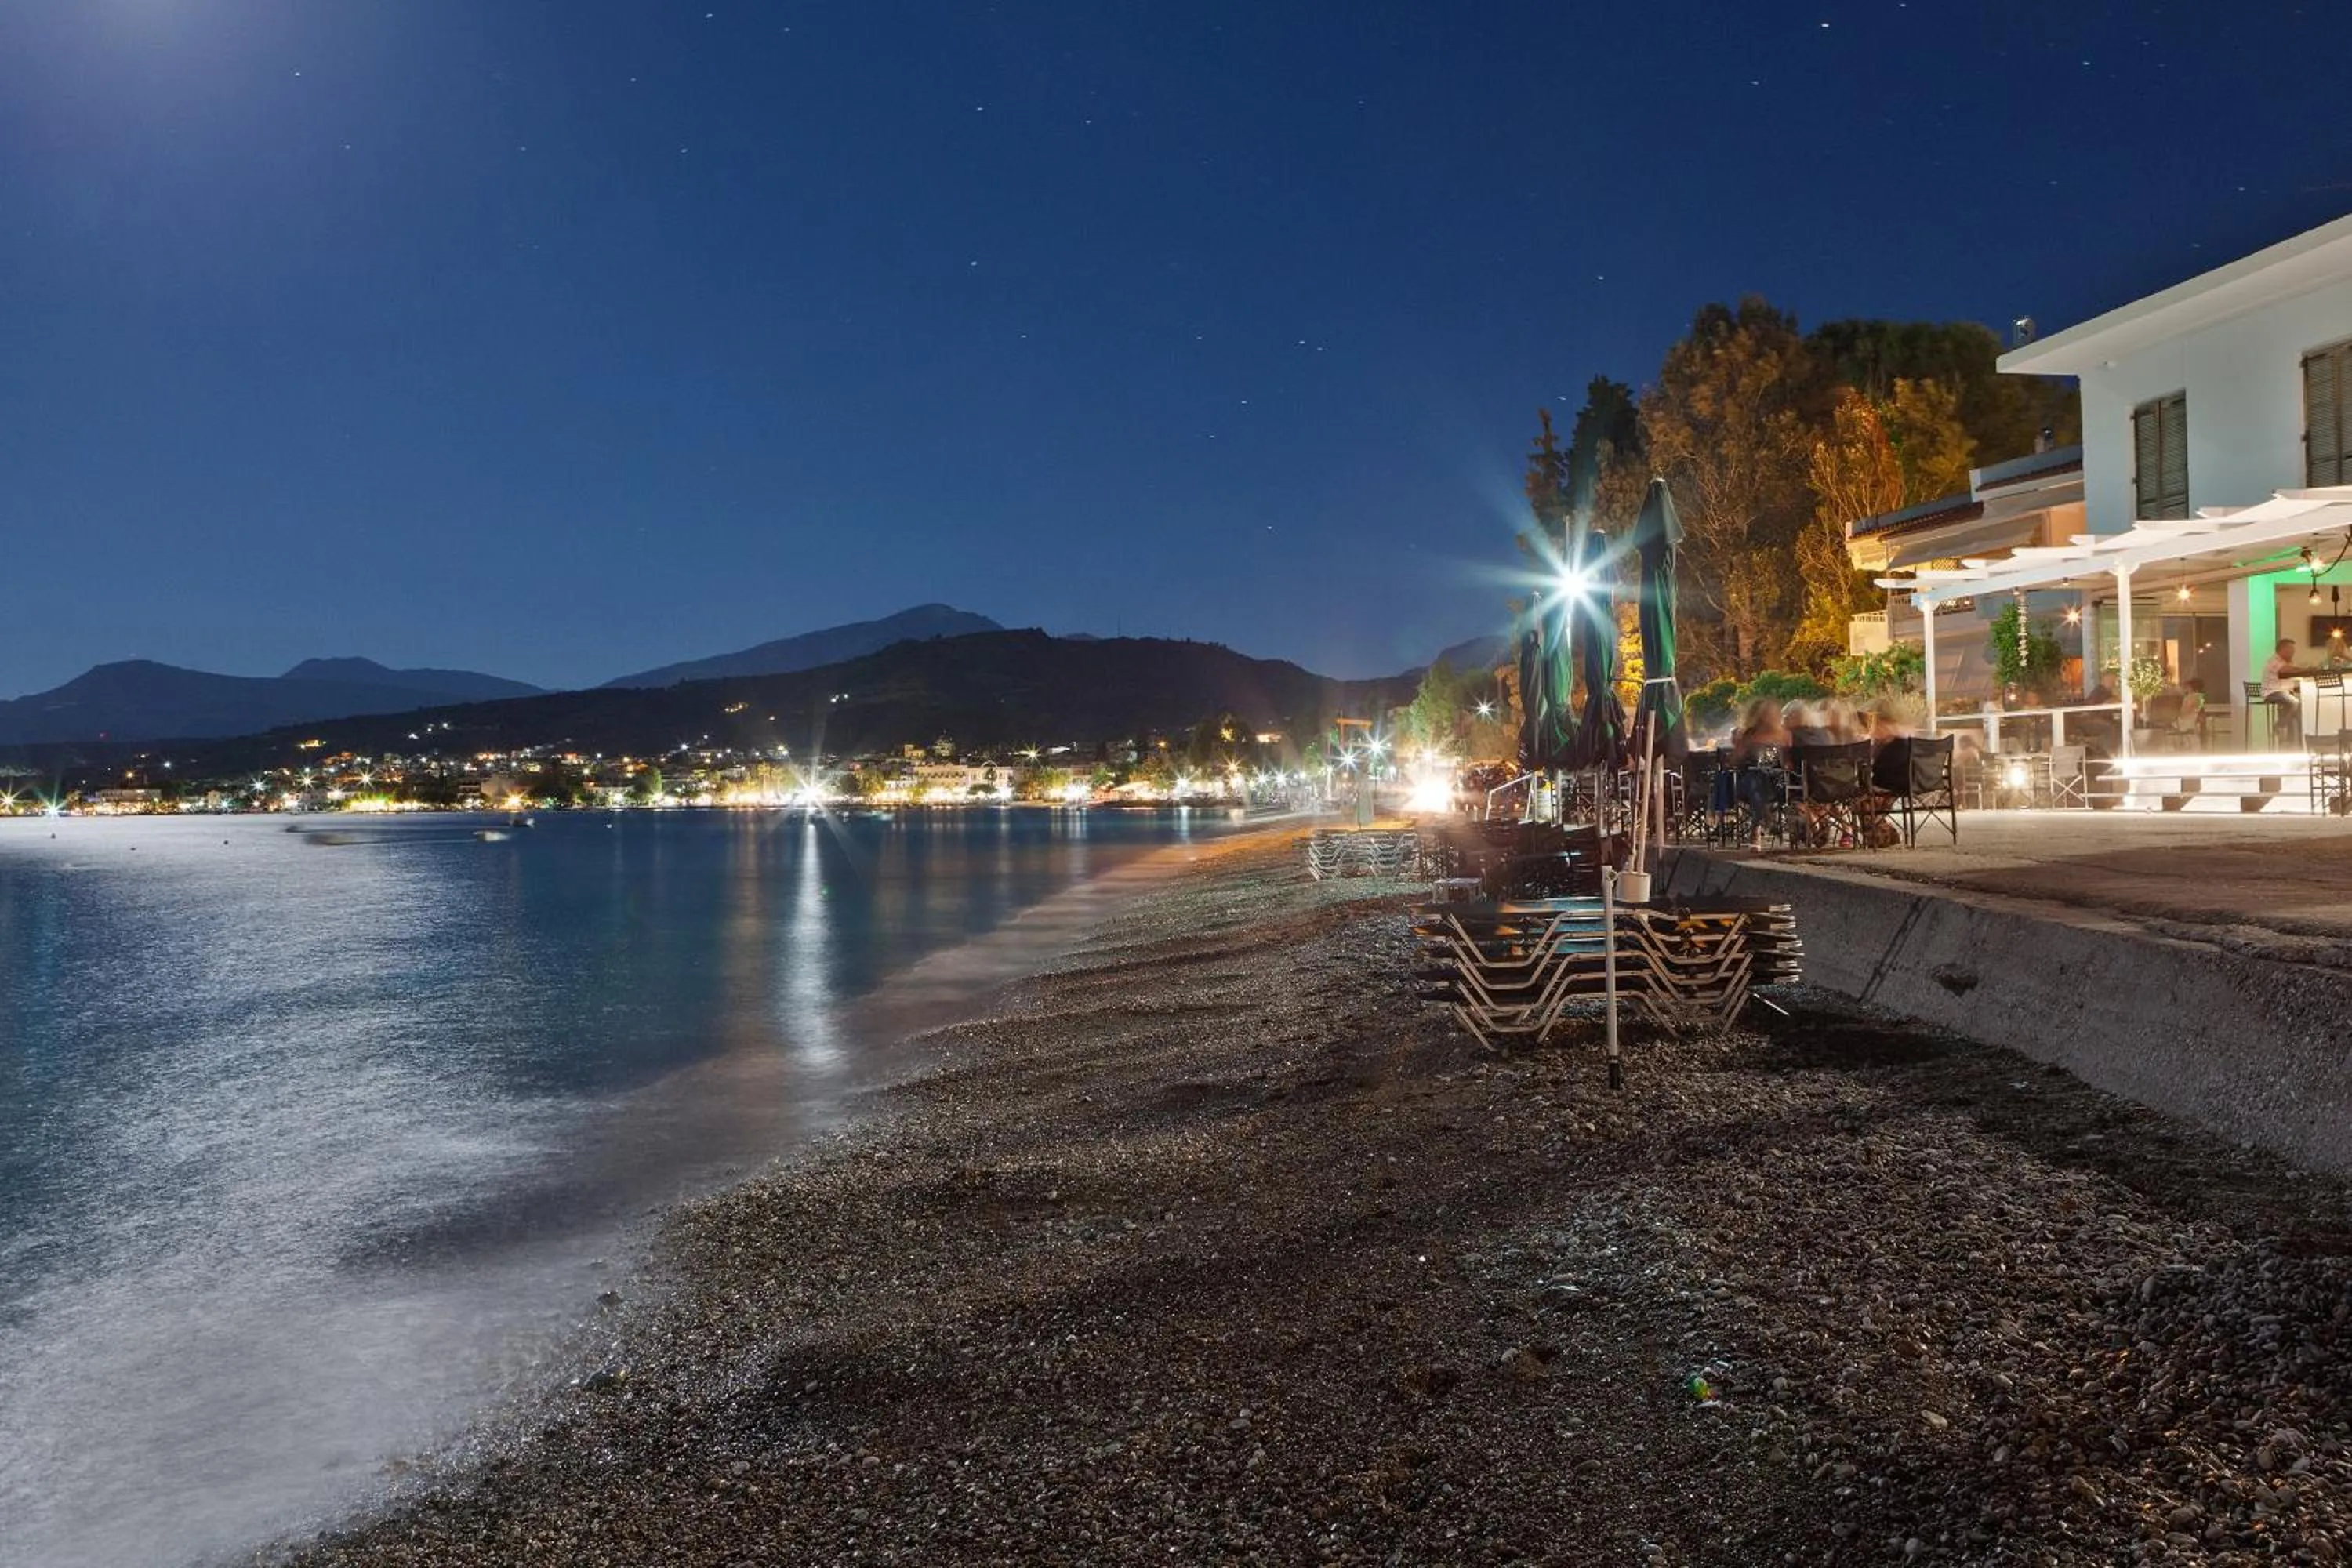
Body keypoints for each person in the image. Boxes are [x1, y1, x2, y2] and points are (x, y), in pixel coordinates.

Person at [2262, 638, 2307, 746]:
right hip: (2272, 692)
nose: (2293, 653)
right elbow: (2285, 670)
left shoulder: (2286, 662)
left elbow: (2290, 672)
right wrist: (2305, 669)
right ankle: (2279, 726)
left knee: (2300, 711)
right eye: (2290, 650)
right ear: (2282, 650)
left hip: (2284, 692)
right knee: (2294, 702)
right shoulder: (2274, 660)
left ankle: (2295, 742)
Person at [2172, 677, 2208, 747]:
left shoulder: (2190, 697)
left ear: (2192, 687)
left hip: (2186, 722)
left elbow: (2184, 712)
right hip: (2193, 722)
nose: (2186, 688)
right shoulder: (2200, 697)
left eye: (2188, 687)